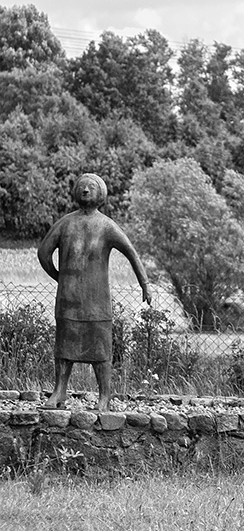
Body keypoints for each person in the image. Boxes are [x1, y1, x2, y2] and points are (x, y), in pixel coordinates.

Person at [36, 173, 151, 410]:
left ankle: (104, 397)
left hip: (97, 302)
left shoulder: (107, 226)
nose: (86, 190)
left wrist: (145, 284)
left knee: (100, 350)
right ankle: (59, 391)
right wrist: (61, 278)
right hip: (68, 300)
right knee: (64, 347)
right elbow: (43, 253)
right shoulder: (66, 223)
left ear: (101, 194)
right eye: (82, 187)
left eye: (91, 187)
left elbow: (131, 252)